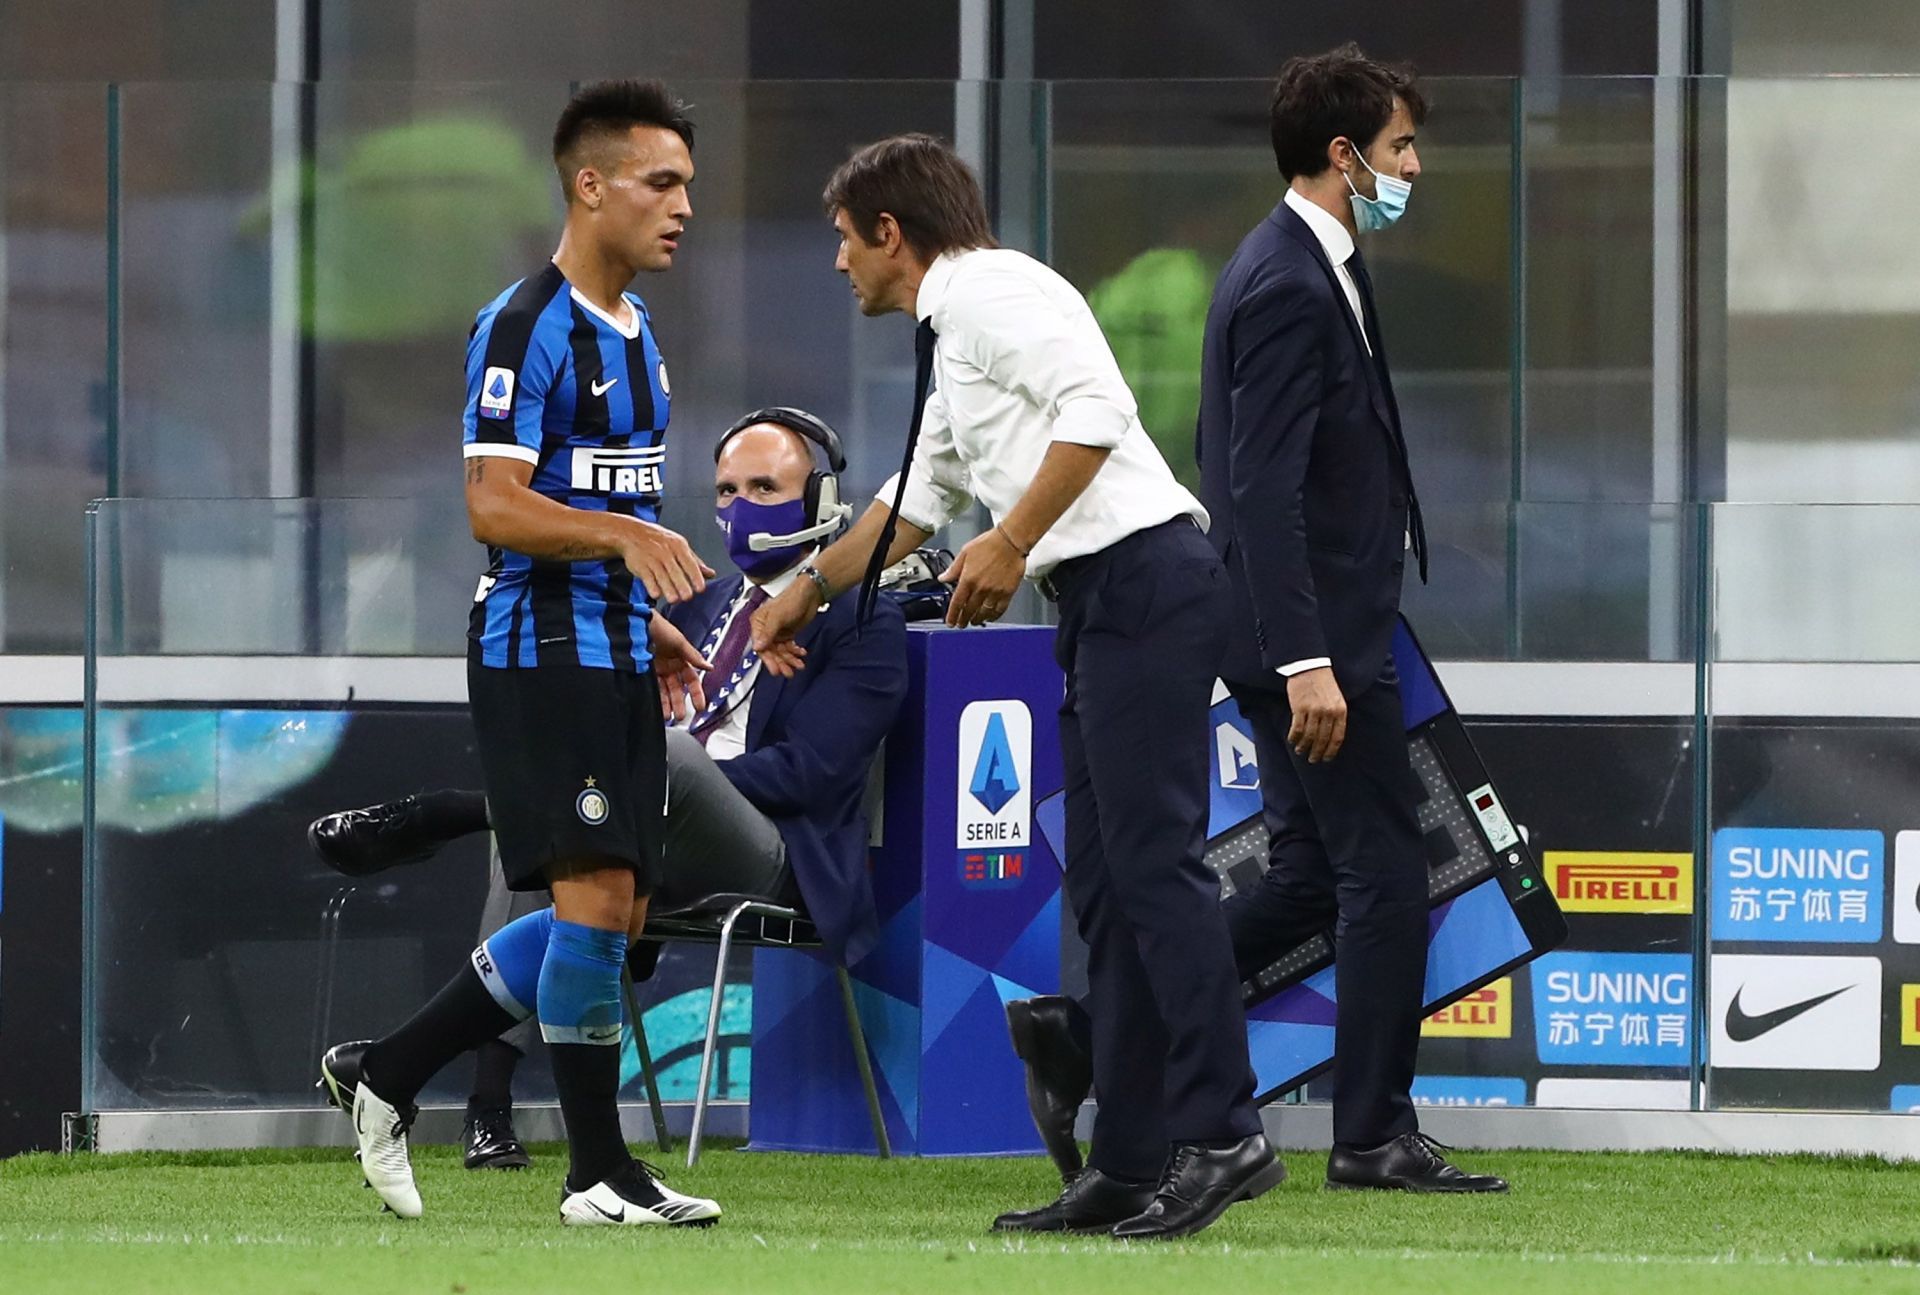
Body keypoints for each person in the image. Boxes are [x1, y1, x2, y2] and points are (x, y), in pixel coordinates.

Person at [750, 133, 1281, 1241]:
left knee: (1153, 870)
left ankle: (1224, 1131)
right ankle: (1129, 1164)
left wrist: (1012, 541)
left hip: (1146, 581)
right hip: (1104, 600)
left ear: (891, 234)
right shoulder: (958, 329)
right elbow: (918, 495)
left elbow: (1099, 408)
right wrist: (807, 584)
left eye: (845, 242)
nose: (840, 265)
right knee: (1105, 887)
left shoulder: (991, 292)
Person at [324, 78, 725, 1228]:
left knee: (624, 913)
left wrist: (638, 609)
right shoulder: (521, 325)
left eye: (688, 184)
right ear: (590, 186)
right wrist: (628, 538)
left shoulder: (641, 332)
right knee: (596, 899)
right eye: (660, 182)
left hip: (603, 640)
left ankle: (389, 1071)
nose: (681, 205)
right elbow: (494, 505)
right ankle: (597, 1174)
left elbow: (587, 502)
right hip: (535, 648)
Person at [314, 409, 908, 1166]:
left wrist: (659, 772)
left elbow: (812, 773)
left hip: (773, 855)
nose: (741, 506)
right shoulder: (696, 601)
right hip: (652, 828)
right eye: (727, 489)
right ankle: (478, 1105)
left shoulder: (862, 619)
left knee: (637, 771)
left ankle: (450, 814)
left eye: (766, 485)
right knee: (574, 816)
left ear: (824, 500)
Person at [1194, 44, 1502, 1193]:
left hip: (1320, 622)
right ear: (1343, 155)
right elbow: (1255, 487)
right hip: (1313, 640)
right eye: (1401, 147)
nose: (1414, 166)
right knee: (1386, 873)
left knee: (1315, 875)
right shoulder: (1284, 278)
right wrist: (1307, 657)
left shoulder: (1313, 260)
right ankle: (1372, 1134)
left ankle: (1095, 1025)